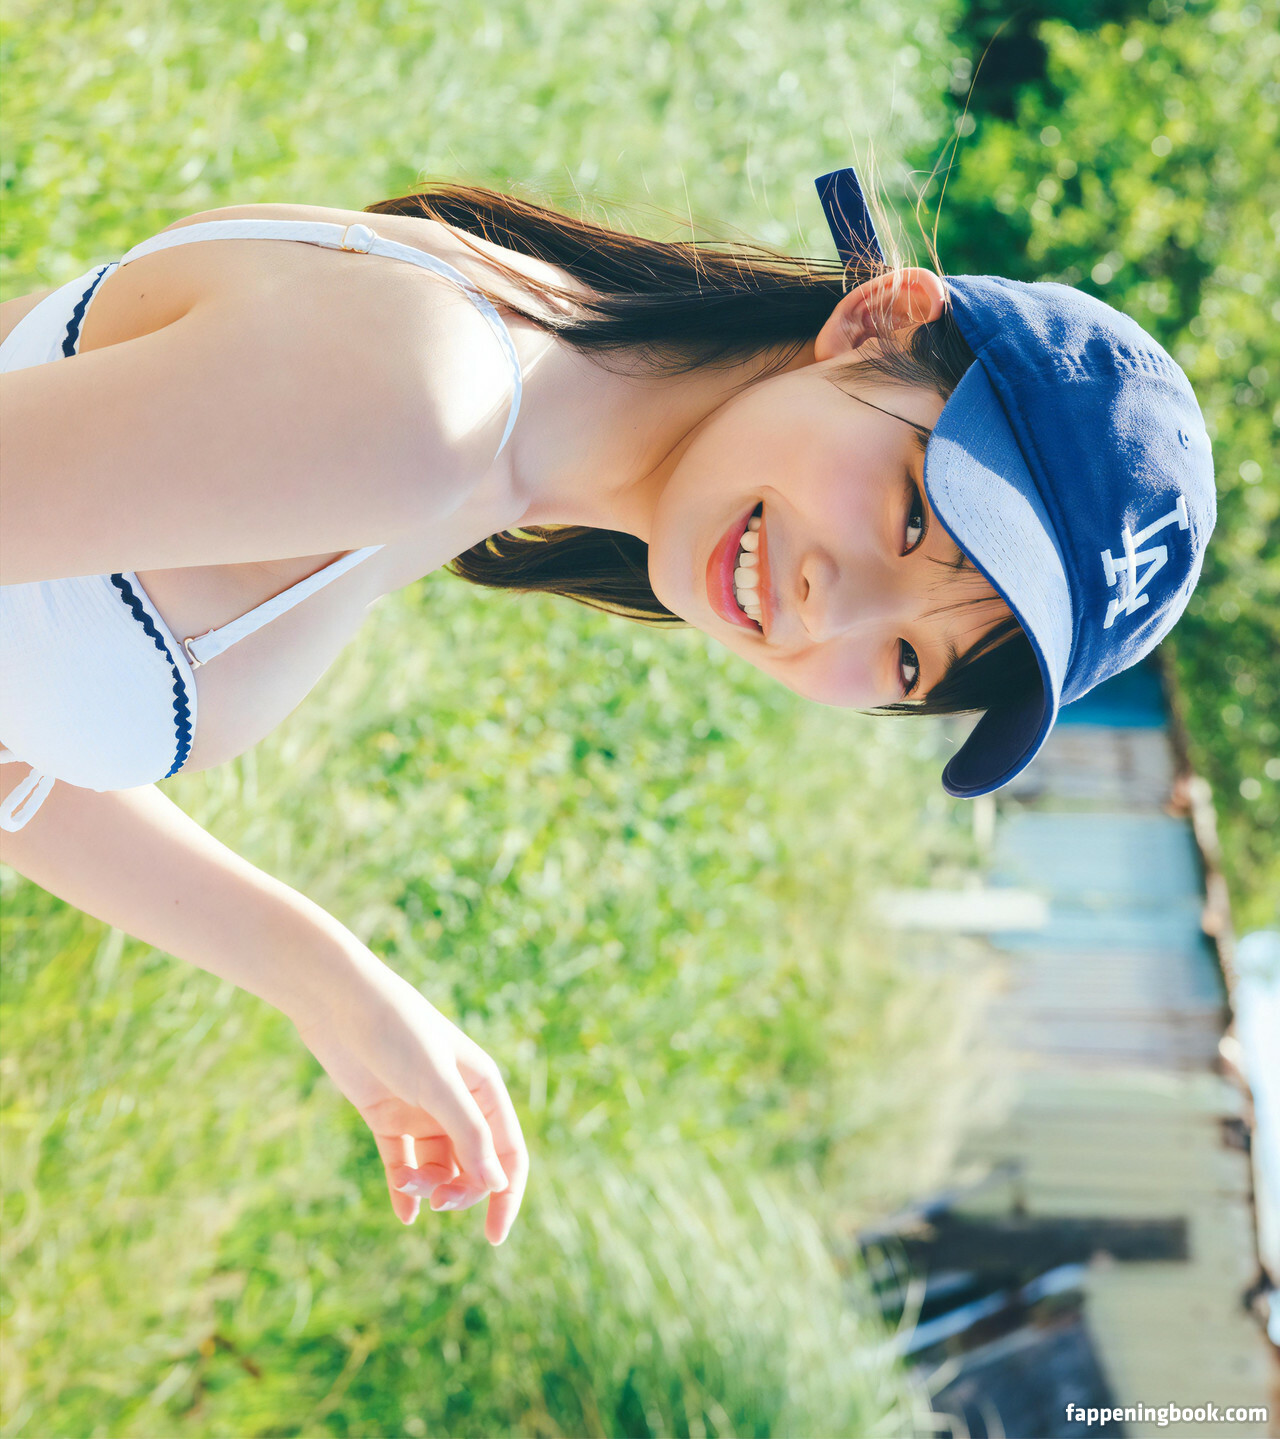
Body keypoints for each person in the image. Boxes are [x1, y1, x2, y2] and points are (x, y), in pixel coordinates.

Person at [0, 166, 1216, 1245]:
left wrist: (327, 980)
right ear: (877, 323)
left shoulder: (489, 427)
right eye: (911, 519)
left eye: (906, 660)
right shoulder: (422, 410)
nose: (827, 610)